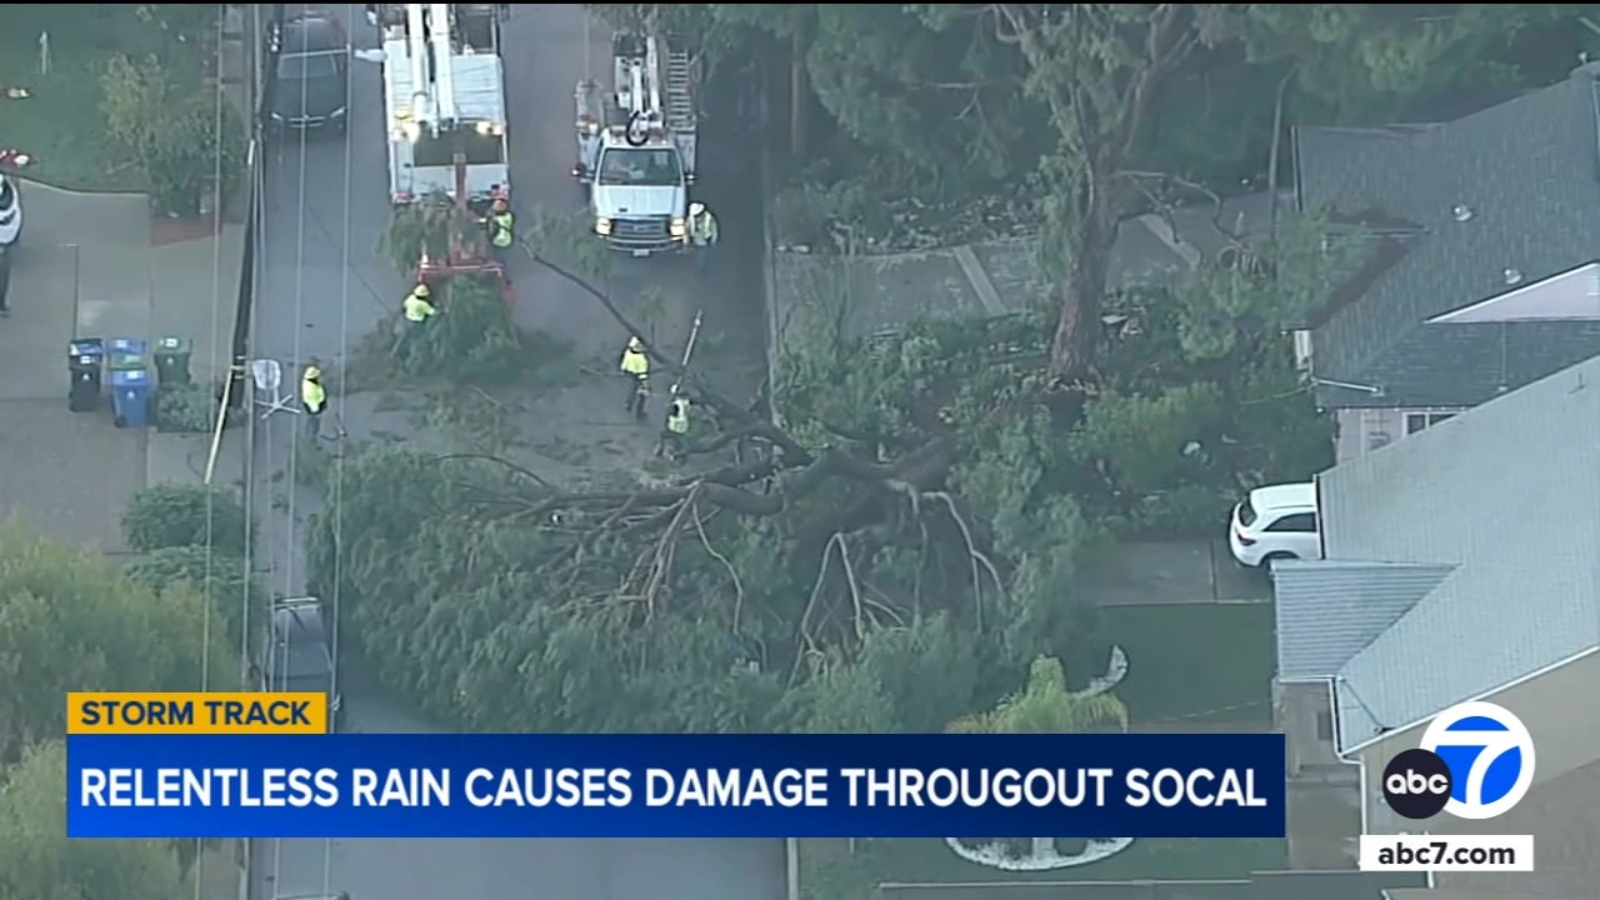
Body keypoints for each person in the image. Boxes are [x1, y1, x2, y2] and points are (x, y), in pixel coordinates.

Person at [396, 282, 438, 358]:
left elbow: (405, 305)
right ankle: (412, 355)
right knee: (417, 339)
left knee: (404, 338)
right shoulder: (423, 304)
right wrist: (442, 311)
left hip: (407, 321)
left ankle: (396, 353)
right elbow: (433, 312)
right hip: (417, 324)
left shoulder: (410, 298)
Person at [618, 335, 650, 419]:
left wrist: (623, 369)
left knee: (632, 390)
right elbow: (643, 371)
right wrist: (645, 383)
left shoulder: (628, 352)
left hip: (630, 373)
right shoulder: (641, 358)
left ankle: (628, 404)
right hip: (638, 376)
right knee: (642, 395)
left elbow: (625, 362)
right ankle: (640, 412)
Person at [656, 386, 691, 460]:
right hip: (683, 426)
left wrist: (668, 407)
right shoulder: (686, 402)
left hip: (675, 425)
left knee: (663, 435)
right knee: (678, 439)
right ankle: (675, 452)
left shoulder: (676, 404)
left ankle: (662, 450)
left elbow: (672, 413)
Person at [687, 201, 719, 273]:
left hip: (705, 241)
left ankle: (701, 270)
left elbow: (713, 229)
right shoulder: (690, 219)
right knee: (694, 257)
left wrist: (714, 240)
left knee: (702, 258)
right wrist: (686, 241)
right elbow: (687, 229)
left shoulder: (709, 218)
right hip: (694, 241)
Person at [484, 197, 515, 268]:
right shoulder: (491, 215)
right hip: (497, 239)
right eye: (497, 205)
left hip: (502, 240)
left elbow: (501, 221)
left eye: (500, 205)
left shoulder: (507, 216)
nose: (499, 206)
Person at [301, 362, 326, 439]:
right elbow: (316, 398)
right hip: (314, 406)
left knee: (313, 417)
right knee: (316, 419)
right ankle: (314, 433)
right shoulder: (310, 388)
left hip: (311, 404)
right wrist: (321, 404)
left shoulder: (306, 382)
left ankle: (311, 431)